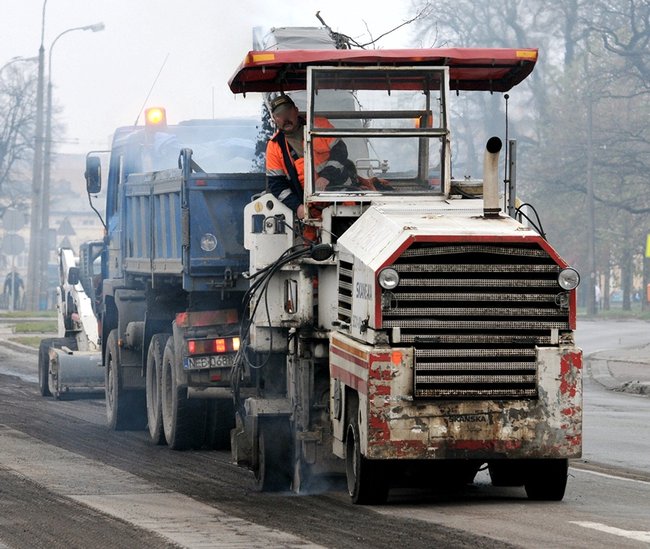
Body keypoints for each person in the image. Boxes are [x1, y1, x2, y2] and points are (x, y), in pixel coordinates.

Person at [265, 94, 355, 220]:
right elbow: (277, 184)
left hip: (342, 196)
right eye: (280, 115)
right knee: (310, 238)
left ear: (296, 111)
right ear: (274, 119)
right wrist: (297, 207)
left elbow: (340, 150)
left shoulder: (319, 124)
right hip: (310, 209)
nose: (285, 118)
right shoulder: (274, 146)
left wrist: (326, 176)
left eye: (288, 112)